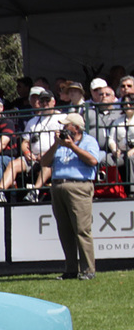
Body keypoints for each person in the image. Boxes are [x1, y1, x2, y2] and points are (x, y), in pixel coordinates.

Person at [48, 115, 103, 280]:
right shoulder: (60, 144)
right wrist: (55, 145)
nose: (63, 129)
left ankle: (88, 270)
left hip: (79, 187)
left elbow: (93, 161)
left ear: (76, 128)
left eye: (67, 126)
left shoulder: (89, 141)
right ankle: (70, 269)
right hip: (58, 186)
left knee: (81, 229)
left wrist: (72, 146)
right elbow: (44, 162)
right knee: (64, 230)